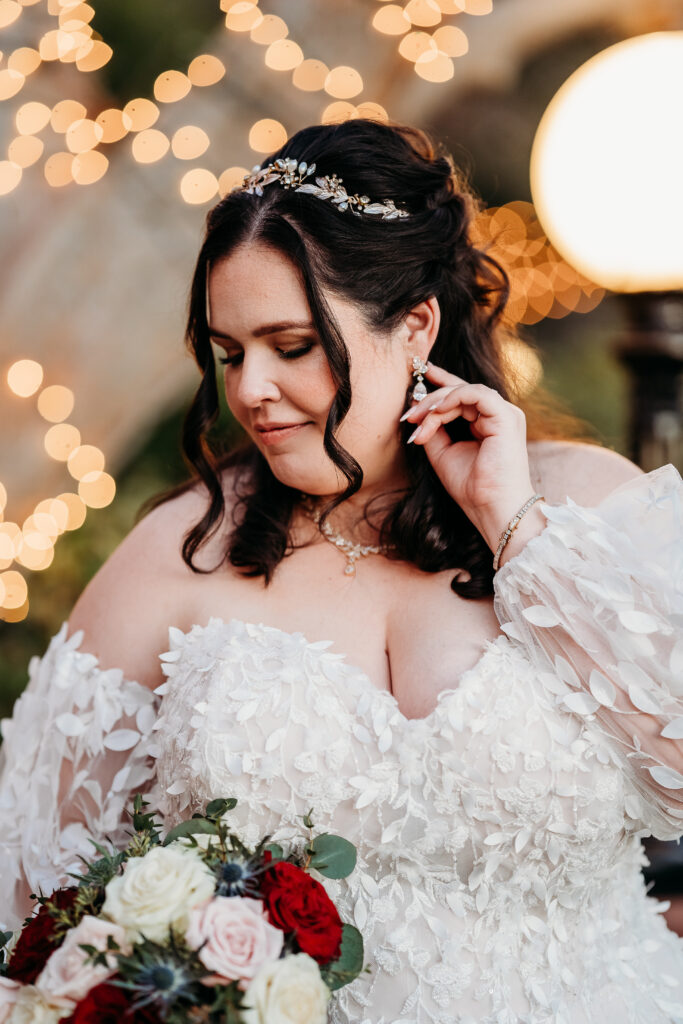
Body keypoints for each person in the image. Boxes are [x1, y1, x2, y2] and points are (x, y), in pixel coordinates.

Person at [1, 118, 682, 1023]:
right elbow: (34, 903)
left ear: (414, 328)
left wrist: (514, 527)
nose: (249, 391)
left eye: (291, 346)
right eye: (229, 352)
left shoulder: (587, 504)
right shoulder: (181, 549)